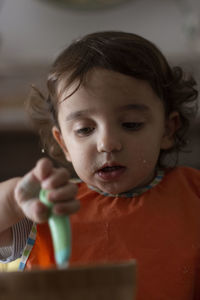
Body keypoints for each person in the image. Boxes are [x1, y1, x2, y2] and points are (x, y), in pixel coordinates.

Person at [0, 31, 200, 300]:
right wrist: (12, 202)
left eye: (131, 124)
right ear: (64, 143)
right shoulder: (47, 210)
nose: (107, 143)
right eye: (84, 129)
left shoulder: (193, 195)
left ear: (167, 129)